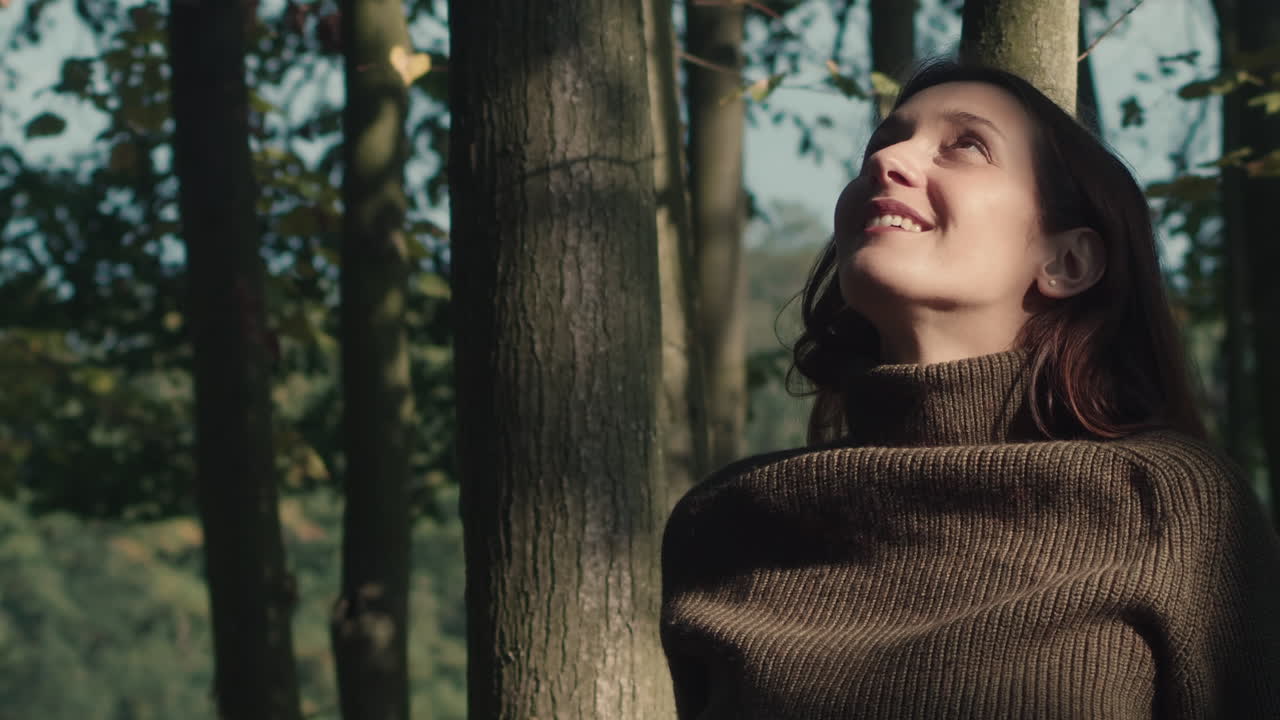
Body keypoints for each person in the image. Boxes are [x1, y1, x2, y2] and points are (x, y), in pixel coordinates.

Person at [659, 59, 1280, 719]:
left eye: (967, 145)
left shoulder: (1166, 502)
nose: (888, 158)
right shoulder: (724, 525)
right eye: (881, 143)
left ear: (1067, 261)